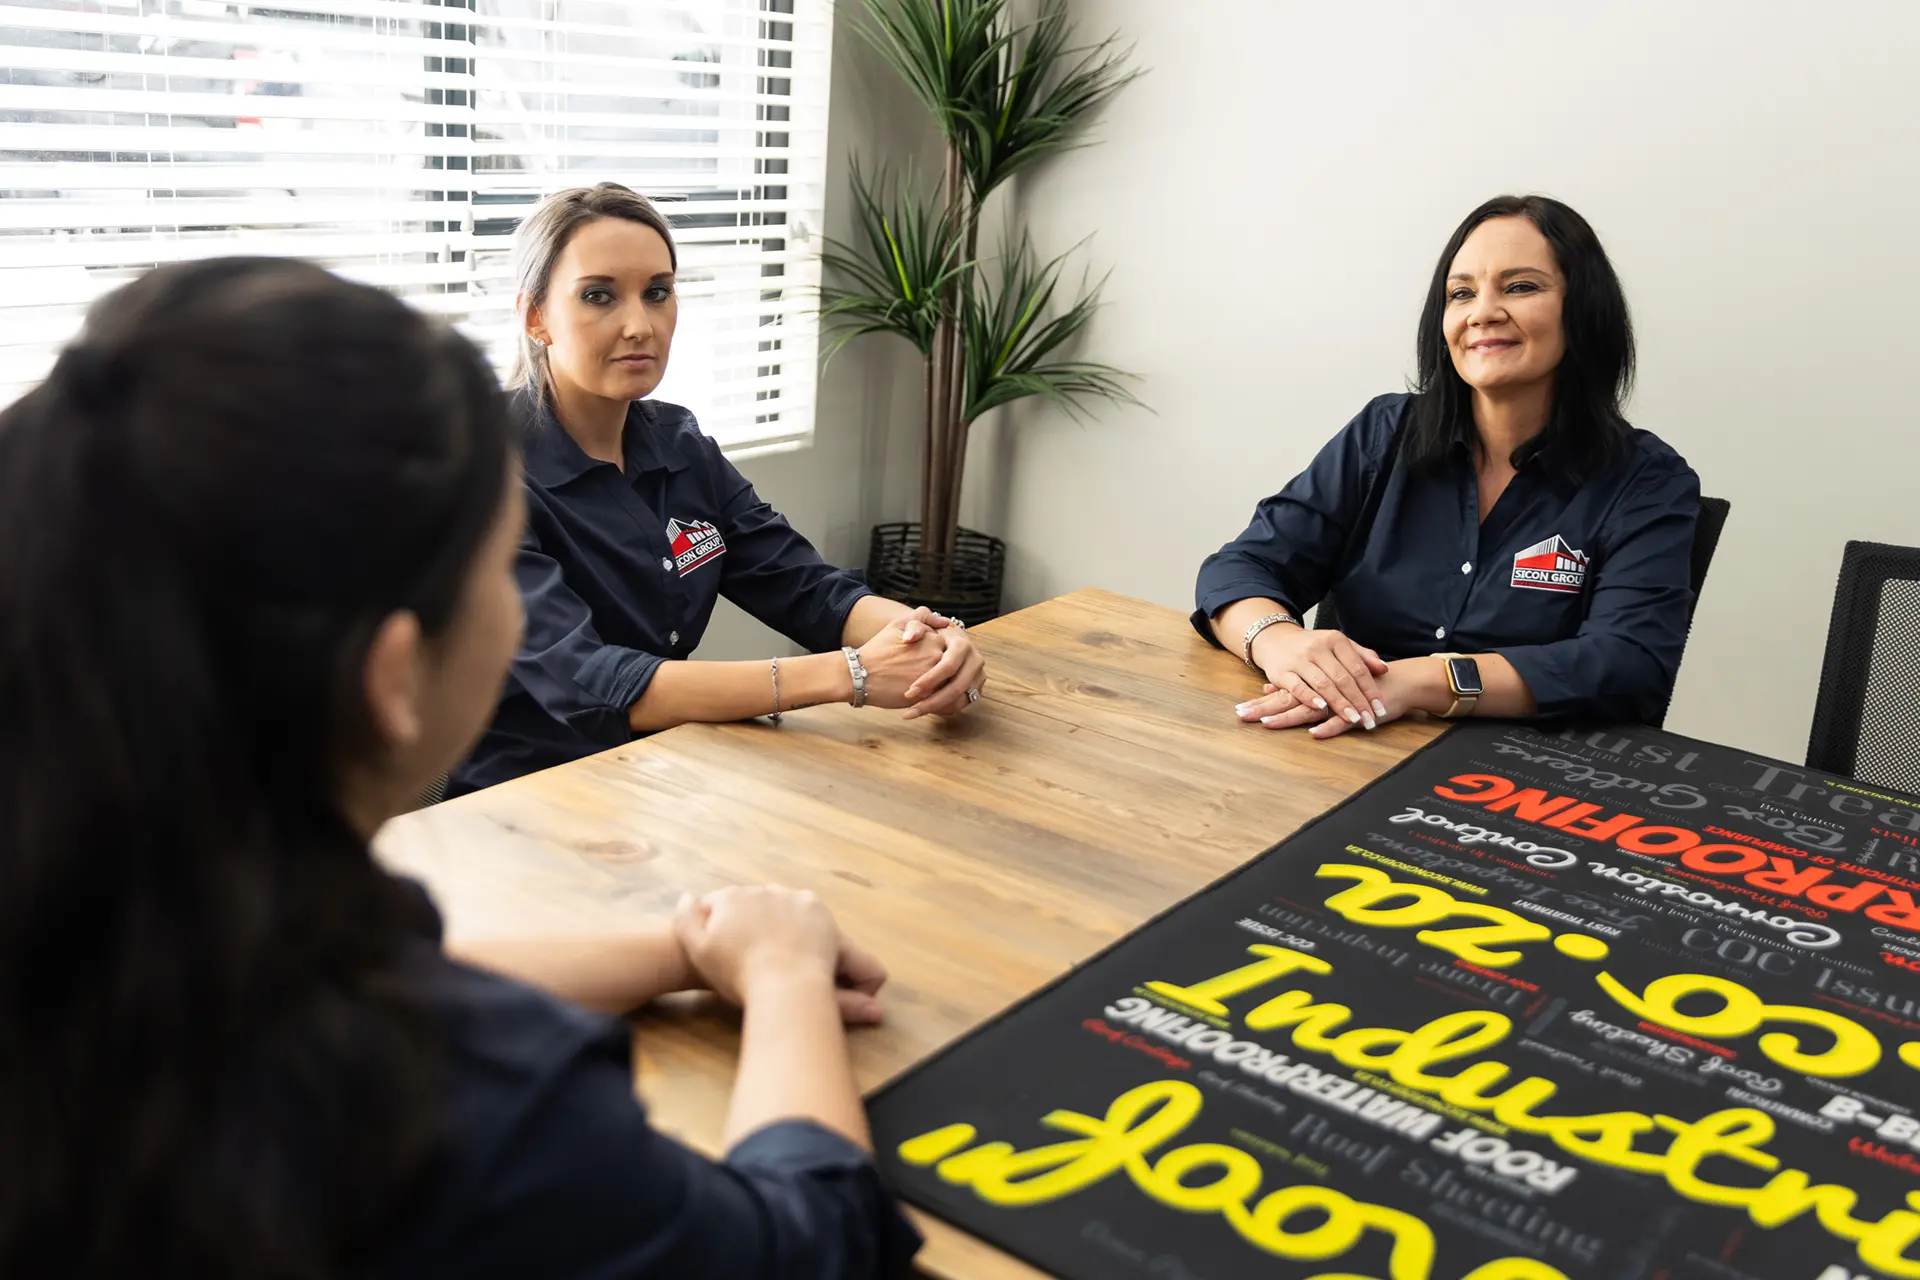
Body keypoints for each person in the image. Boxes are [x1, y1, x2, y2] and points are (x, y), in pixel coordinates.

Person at [0, 258, 920, 1277]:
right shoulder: (468, 1107)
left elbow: (352, 976)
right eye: (498, 572)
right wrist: (786, 969)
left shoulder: (135, 911)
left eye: (659, 290)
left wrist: (686, 946)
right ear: (392, 674)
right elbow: (810, 1248)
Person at [452, 182, 987, 794]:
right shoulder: (480, 475)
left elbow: (804, 585)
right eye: (599, 296)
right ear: (535, 316)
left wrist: (933, 641)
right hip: (524, 802)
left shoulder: (680, 445)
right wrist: (853, 675)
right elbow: (591, 681)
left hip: (664, 775)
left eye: (658, 293)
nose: (639, 325)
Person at [1194, 194, 1701, 737]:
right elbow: (1241, 567)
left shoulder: (1648, 481)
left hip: (1525, 780)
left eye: (1520, 286)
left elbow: (1627, 664)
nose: (1482, 312)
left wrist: (1414, 683)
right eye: (1461, 293)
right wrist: (1281, 644)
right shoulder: (1384, 433)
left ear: (1583, 310)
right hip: (1342, 739)